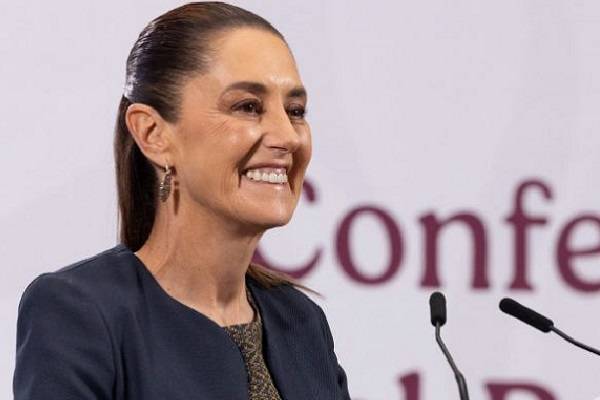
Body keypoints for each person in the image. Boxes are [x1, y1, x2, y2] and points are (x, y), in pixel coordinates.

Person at [13, 2, 351, 399]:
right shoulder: (79, 312)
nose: (288, 136)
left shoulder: (302, 321)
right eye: (247, 107)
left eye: (295, 111)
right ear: (153, 134)